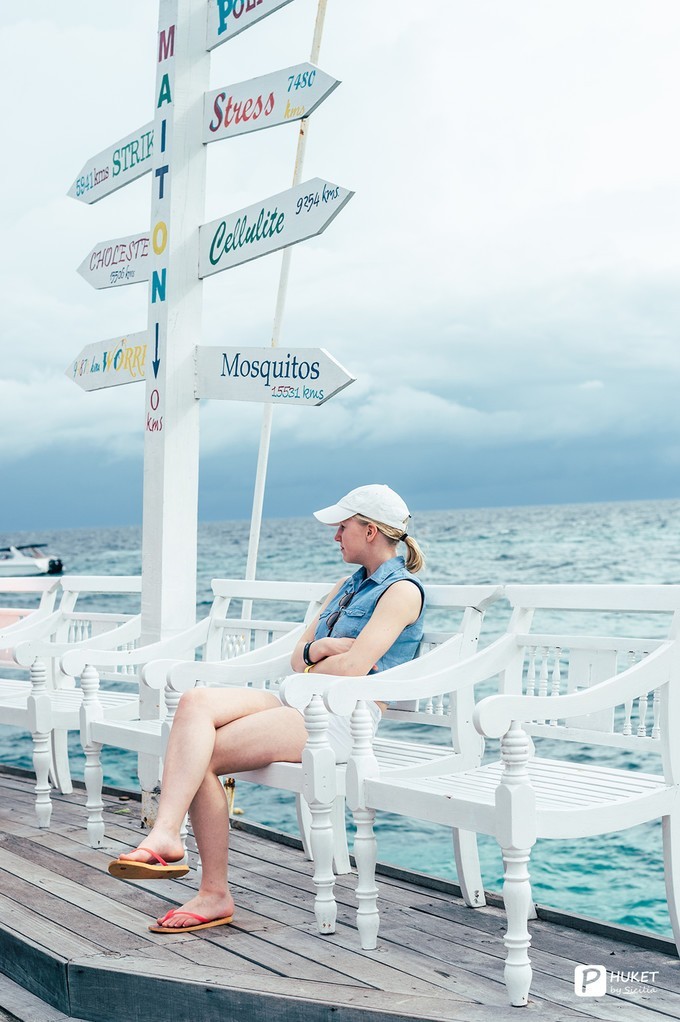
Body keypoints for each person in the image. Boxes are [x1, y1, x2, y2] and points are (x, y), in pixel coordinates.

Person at [108, 484, 426, 934]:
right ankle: (168, 834)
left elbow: (355, 670)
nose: (336, 536)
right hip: (299, 697)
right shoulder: (346, 585)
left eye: (342, 527)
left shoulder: (401, 593)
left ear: (370, 530)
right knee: (196, 702)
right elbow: (300, 656)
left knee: (201, 753)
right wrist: (323, 649)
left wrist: (320, 656)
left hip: (339, 720)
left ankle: (209, 887)